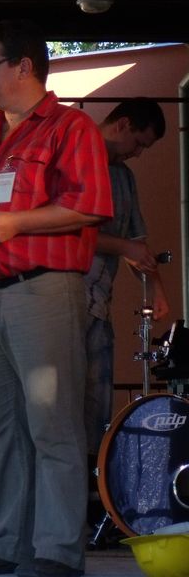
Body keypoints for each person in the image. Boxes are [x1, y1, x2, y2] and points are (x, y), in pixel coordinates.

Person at [0, 20, 113, 577]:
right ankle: (10, 545)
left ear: (23, 66)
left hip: (44, 289)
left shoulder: (71, 127)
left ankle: (57, 552)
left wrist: (18, 222)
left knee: (53, 427)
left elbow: (89, 206)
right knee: (2, 432)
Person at [84, 99, 169, 456]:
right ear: (122, 124)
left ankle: (93, 478)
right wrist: (123, 246)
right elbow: (64, 233)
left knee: (97, 407)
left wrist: (157, 289)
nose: (137, 154)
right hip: (63, 299)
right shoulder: (76, 156)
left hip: (100, 305)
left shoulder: (123, 177)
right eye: (137, 143)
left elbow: (137, 243)